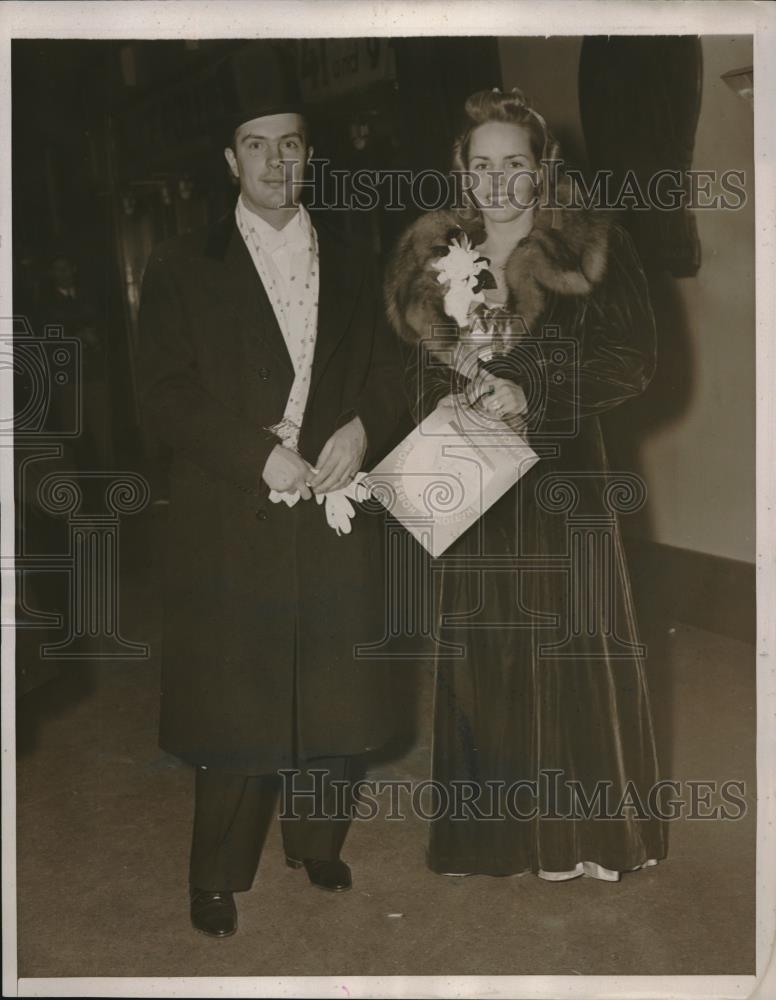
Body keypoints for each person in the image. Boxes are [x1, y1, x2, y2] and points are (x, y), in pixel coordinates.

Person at [136, 81, 407, 937]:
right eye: (257, 144)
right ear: (230, 161)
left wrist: (364, 428)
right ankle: (215, 874)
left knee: (332, 689)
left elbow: (395, 371)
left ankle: (315, 840)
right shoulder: (182, 264)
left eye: (290, 144)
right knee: (236, 701)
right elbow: (164, 396)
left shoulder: (359, 257)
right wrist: (260, 453)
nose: (276, 160)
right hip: (231, 510)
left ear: (309, 156)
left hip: (334, 501)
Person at [385, 87, 667, 880]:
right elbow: (404, 371)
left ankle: (588, 837)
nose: (499, 179)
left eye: (516, 162)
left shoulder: (592, 246)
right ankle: (500, 838)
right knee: (489, 645)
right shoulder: (431, 258)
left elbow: (634, 359)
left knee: (573, 641)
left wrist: (531, 386)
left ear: (543, 167)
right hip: (473, 472)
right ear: (462, 173)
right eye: (483, 164)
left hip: (563, 474)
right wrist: (447, 390)